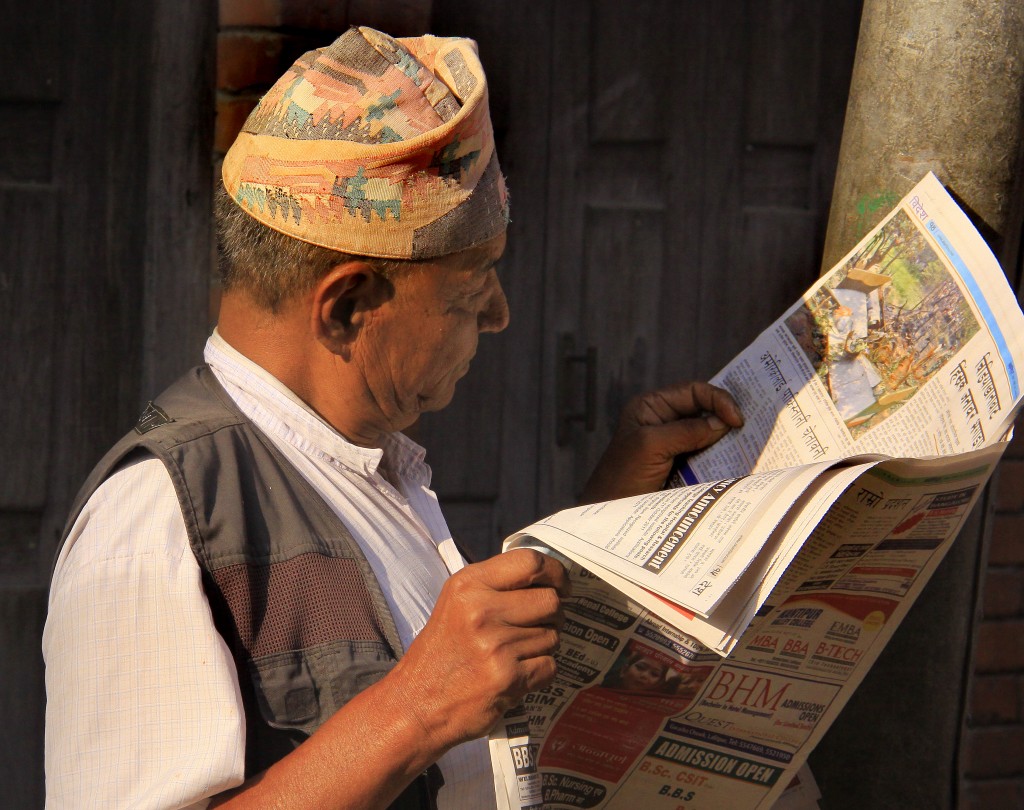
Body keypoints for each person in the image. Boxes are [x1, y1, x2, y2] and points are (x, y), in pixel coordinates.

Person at [42, 26, 743, 810]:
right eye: (472, 288)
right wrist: (413, 710)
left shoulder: (368, 473)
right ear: (346, 308)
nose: (502, 314)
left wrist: (616, 515)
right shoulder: (156, 524)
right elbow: (426, 700)